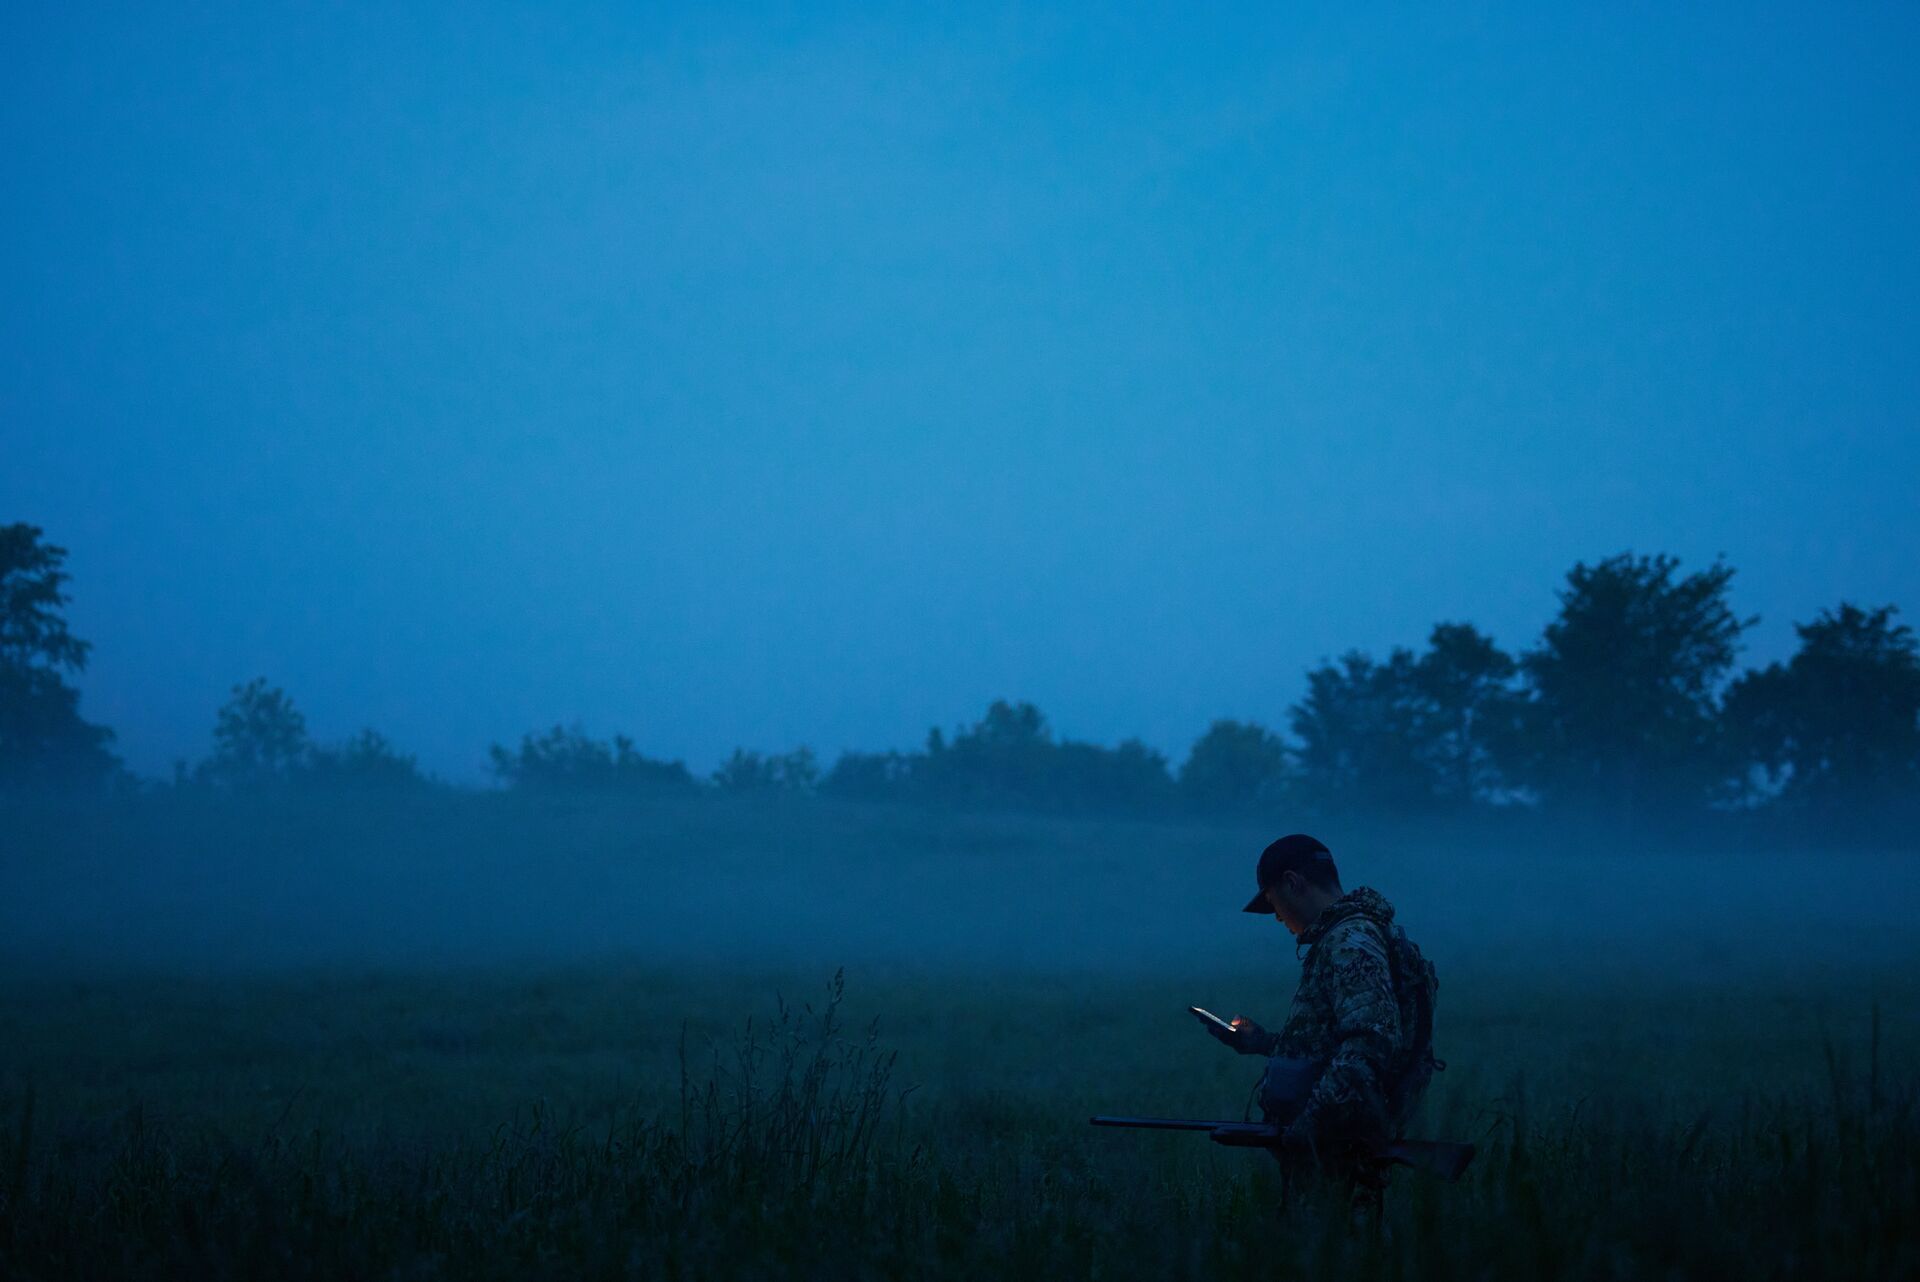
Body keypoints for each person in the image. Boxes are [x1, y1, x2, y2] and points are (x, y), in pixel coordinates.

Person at [1201, 833, 1441, 1215]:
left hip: (1335, 1146)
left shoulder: (1349, 941)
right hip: (1331, 1144)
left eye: (1273, 902)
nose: (1277, 916)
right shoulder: (1345, 937)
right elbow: (1329, 1044)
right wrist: (1261, 1042)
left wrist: (1309, 1128)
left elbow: (1367, 1045)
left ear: (1294, 883)